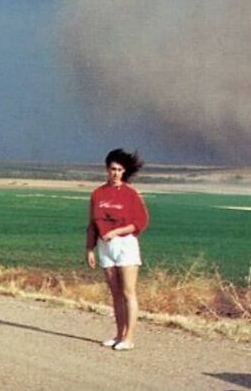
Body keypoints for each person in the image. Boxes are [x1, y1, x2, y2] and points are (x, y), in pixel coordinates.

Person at [86, 148, 149, 351]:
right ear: (107, 169)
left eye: (119, 170)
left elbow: (140, 222)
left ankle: (129, 337)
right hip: (105, 246)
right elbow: (92, 224)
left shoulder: (131, 194)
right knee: (115, 294)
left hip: (125, 244)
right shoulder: (98, 193)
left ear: (124, 171)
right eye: (112, 169)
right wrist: (90, 248)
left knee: (128, 291)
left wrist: (117, 232)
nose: (115, 173)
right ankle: (119, 334)